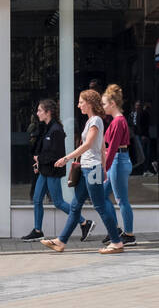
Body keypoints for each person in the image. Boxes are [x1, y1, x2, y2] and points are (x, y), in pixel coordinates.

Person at [41, 89, 124, 254]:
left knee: (100, 205)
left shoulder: (95, 121)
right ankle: (61, 241)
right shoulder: (91, 121)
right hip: (90, 169)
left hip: (92, 170)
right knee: (75, 206)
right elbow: (101, 147)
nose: (78, 105)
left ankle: (116, 242)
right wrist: (105, 168)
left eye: (81, 102)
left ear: (90, 103)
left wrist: (66, 158)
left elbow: (88, 145)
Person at [21, 99, 85, 242]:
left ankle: (84, 222)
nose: (37, 113)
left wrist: (40, 159)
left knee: (58, 202)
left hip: (53, 172)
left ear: (48, 112)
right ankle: (38, 231)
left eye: (39, 111)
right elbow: (45, 150)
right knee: (37, 199)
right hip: (45, 171)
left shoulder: (56, 130)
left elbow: (56, 155)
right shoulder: (47, 128)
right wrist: (39, 161)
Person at [102, 84, 137, 245]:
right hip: (119, 160)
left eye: (104, 104)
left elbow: (113, 147)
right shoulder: (117, 121)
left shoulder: (118, 122)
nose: (103, 107)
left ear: (113, 104)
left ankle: (128, 235)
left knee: (121, 199)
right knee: (103, 195)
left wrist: (104, 168)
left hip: (118, 160)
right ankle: (114, 229)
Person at [130, 100, 152, 176]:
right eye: (137, 105)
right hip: (136, 135)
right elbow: (133, 124)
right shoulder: (133, 114)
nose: (138, 107)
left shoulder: (143, 113)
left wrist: (143, 135)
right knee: (140, 153)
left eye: (139, 105)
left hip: (142, 135)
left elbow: (145, 125)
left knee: (145, 153)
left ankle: (145, 169)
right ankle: (141, 169)